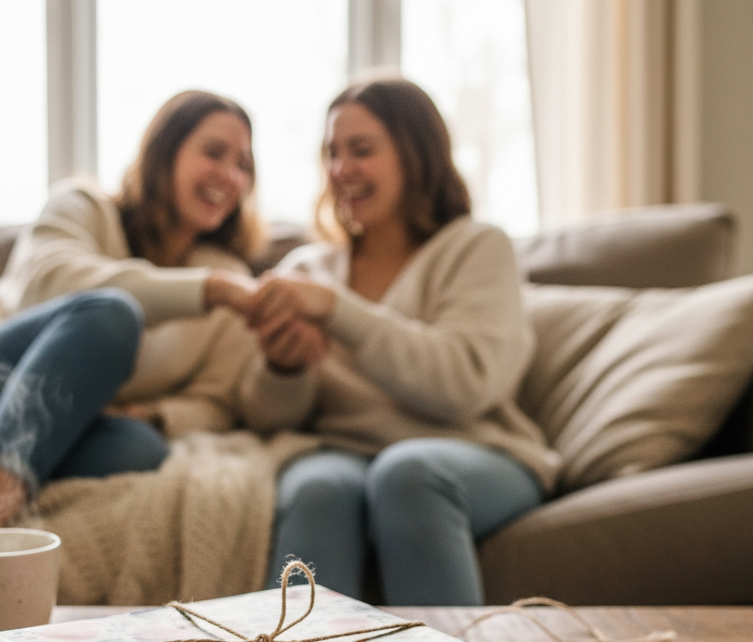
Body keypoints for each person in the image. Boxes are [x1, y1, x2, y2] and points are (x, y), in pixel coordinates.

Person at [227, 76, 561, 605]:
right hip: (342, 451)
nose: (341, 170)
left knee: (407, 474)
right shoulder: (308, 268)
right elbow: (266, 419)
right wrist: (283, 370)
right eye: (332, 154)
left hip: (474, 450)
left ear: (416, 155)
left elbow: (464, 385)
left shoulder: (475, 247)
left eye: (361, 150)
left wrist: (338, 311)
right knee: (317, 487)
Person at [0, 90, 261, 535]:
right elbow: (47, 286)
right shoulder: (84, 207)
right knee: (113, 315)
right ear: (165, 152)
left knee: (141, 449)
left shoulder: (229, 274)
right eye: (214, 153)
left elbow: (219, 401)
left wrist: (155, 415)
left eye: (244, 166)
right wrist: (207, 290)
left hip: (47, 433)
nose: (231, 176)